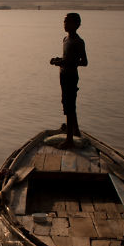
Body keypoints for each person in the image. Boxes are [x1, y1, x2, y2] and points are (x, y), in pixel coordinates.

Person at [49, 13, 88, 148]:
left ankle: (69, 140)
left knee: (70, 105)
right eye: (64, 22)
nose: (65, 24)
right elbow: (65, 58)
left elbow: (84, 62)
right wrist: (59, 61)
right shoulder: (65, 39)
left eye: (68, 22)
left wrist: (69, 62)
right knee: (67, 104)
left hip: (71, 76)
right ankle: (75, 130)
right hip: (63, 75)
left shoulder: (78, 41)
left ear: (76, 25)